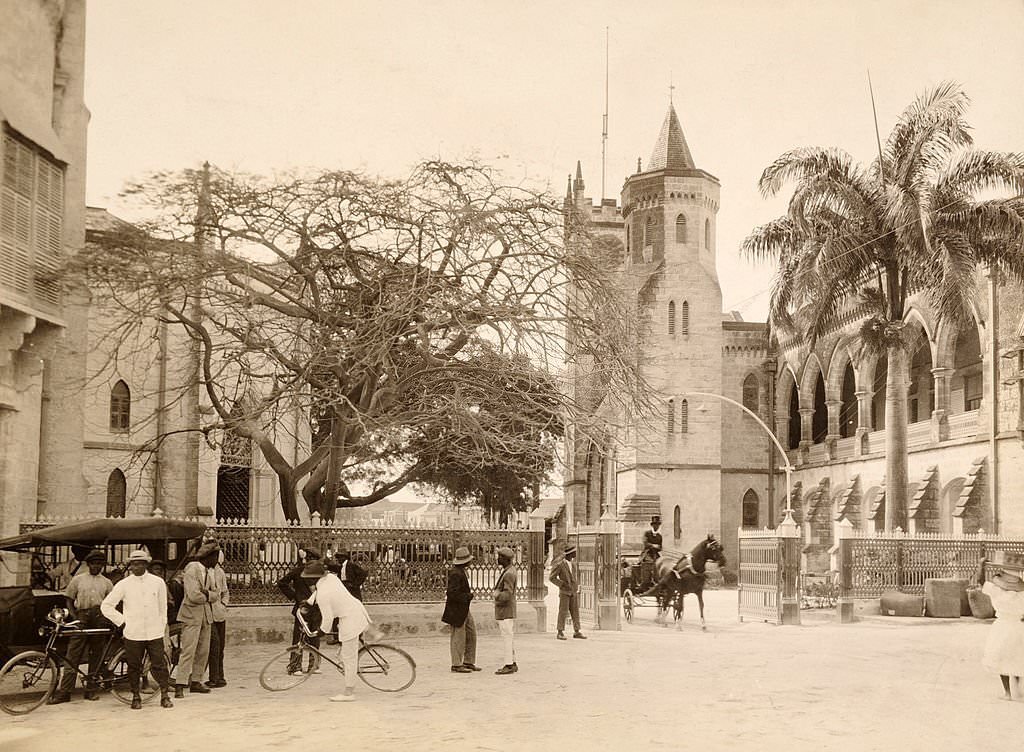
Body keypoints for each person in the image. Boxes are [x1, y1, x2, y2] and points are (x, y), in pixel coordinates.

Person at [100, 549, 174, 710]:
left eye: (139, 563)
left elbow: (163, 609)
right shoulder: (124, 584)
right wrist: (123, 622)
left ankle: (164, 695)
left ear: (146, 564)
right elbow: (106, 606)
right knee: (134, 666)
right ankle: (136, 696)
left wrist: (161, 626)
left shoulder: (157, 582)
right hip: (133, 633)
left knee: (159, 665)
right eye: (133, 564)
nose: (136, 567)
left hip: (154, 632)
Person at [48, 549, 113, 704]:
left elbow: (111, 602)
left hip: (99, 617)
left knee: (96, 654)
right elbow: (69, 599)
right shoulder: (78, 579)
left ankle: (91, 690)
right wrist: (75, 616)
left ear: (102, 566)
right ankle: (65, 692)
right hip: (81, 616)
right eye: (93, 563)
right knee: (73, 654)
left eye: (99, 564)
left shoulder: (107, 583)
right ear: (88, 564)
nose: (96, 566)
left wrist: (106, 617)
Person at [302, 559, 371, 702]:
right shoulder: (330, 578)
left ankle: (349, 692)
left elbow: (327, 618)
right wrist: (308, 602)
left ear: (314, 578)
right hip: (355, 610)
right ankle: (348, 674)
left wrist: (321, 631)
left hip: (351, 618)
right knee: (344, 654)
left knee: (349, 657)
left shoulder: (324, 595)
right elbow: (318, 591)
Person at [173, 540, 221, 698]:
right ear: (209, 556)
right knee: (188, 650)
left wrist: (207, 594)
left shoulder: (209, 571)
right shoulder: (192, 569)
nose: (217, 561)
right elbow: (193, 596)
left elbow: (217, 593)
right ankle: (180, 684)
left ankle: (196, 681)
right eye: (216, 557)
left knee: (203, 651)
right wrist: (208, 595)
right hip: (191, 616)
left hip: (206, 616)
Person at [978, 559, 1024, 700]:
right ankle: (1017, 688)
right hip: (1019, 626)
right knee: (1017, 657)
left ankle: (1008, 692)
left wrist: (981, 565)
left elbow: (980, 582)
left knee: (1000, 658)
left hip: (1002, 626)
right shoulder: (1022, 595)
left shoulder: (996, 591)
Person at [277, 546, 321, 674]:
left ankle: (314, 666)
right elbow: (282, 583)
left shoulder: (320, 573)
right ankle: (295, 666)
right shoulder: (298, 571)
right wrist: (294, 596)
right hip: (302, 609)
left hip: (316, 609)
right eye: (311, 559)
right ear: (307, 559)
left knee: (315, 637)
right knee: (299, 637)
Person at [442, 546, 479, 673]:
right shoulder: (456, 573)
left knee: (471, 634)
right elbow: (451, 593)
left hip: (463, 608)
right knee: (458, 636)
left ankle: (468, 661)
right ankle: (456, 664)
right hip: (457, 609)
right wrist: (468, 596)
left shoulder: (460, 571)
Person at [549, 544, 586, 641]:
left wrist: (576, 586)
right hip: (564, 592)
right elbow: (552, 578)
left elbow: (574, 577)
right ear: (570, 554)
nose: (576, 553)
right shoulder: (560, 564)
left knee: (575, 612)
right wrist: (562, 584)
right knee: (563, 612)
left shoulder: (573, 564)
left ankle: (577, 631)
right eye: (574, 552)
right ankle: (560, 632)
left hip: (573, 591)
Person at [205, 549, 230, 688]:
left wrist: (223, 604)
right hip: (209, 613)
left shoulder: (220, 572)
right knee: (214, 647)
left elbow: (225, 592)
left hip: (220, 613)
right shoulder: (203, 572)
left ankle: (220, 677)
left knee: (220, 647)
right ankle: (213, 677)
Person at [493, 547, 518, 675]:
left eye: (500, 557)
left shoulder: (508, 573)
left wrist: (496, 594)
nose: (498, 559)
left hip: (505, 610)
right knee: (509, 636)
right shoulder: (509, 570)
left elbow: (507, 595)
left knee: (507, 637)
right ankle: (512, 662)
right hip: (507, 610)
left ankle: (508, 664)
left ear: (505, 559)